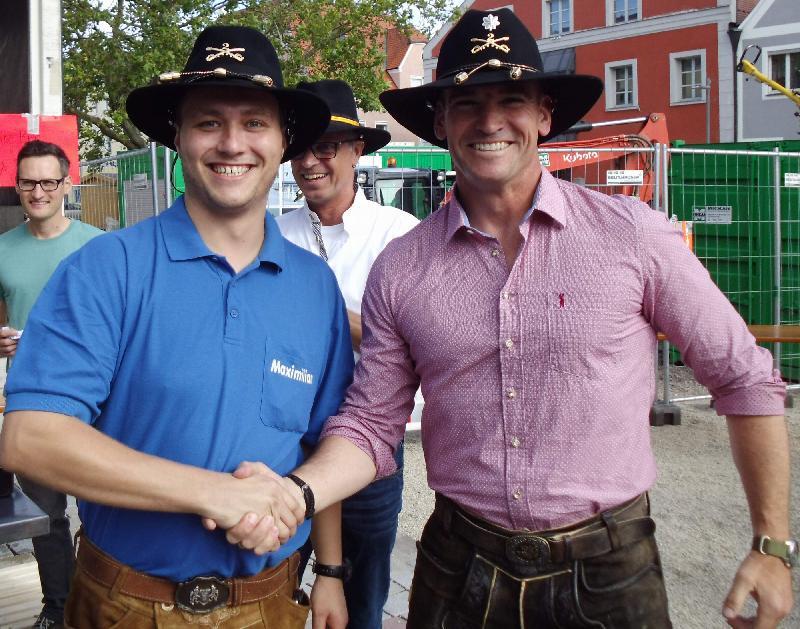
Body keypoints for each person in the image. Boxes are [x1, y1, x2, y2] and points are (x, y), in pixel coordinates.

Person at [222, 8, 795, 628]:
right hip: (460, 564)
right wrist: (297, 493)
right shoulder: (404, 267)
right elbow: (370, 422)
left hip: (609, 566)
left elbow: (744, 378)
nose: (490, 121)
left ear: (544, 113)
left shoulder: (632, 236)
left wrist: (771, 544)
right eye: (466, 102)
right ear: (440, 121)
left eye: (512, 99)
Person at [0, 25, 352, 629]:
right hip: (126, 604)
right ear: (179, 137)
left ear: (283, 140)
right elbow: (30, 438)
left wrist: (332, 573)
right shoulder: (106, 269)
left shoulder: (315, 288)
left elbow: (325, 439)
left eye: (255, 123)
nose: (232, 143)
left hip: (272, 601)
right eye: (209, 122)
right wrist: (212, 491)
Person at [276, 79, 418, 629]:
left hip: (367, 440)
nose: (310, 161)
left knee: (363, 593)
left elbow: (410, 345)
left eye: (326, 146)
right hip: (284, 435)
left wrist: (322, 311)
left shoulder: (400, 234)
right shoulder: (272, 233)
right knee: (273, 583)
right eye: (300, 149)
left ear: (358, 150)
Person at [0, 140, 103, 629]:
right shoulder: (2, 249)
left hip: (95, 403)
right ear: (15, 185)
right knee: (46, 518)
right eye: (27, 182)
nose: (37, 191)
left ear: (66, 183)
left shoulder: (98, 245)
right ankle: (58, 606)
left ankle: (103, 601)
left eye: (47, 181)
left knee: (104, 510)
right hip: (30, 405)